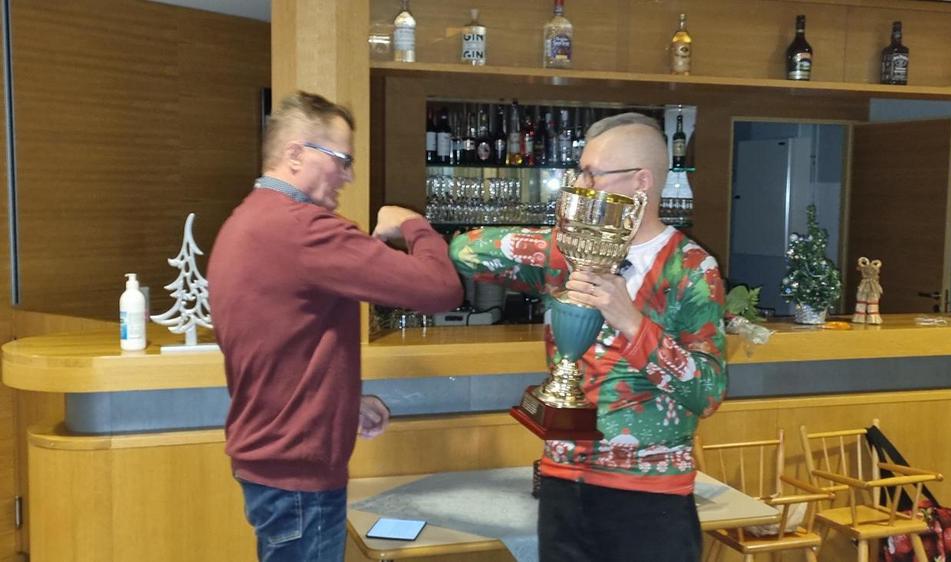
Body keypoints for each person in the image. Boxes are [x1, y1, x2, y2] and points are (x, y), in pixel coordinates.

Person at [450, 112, 727, 562]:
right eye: (579, 172)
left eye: (593, 174)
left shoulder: (692, 268)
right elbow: (464, 251)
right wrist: (556, 241)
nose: (580, 184)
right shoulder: (565, 254)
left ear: (641, 182)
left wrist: (632, 323)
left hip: (650, 497)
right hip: (562, 482)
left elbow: (708, 393)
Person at [208, 91, 463, 562]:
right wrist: (413, 225)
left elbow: (279, 347)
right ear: (296, 154)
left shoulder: (245, 221)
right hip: (298, 477)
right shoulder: (305, 230)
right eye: (342, 160)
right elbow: (440, 288)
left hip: (270, 466)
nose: (349, 175)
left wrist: (340, 404)